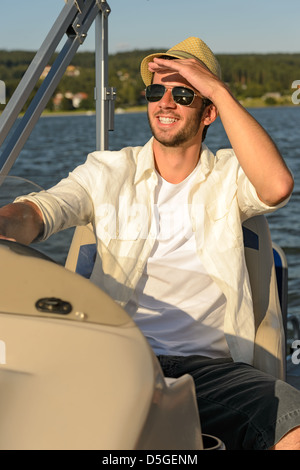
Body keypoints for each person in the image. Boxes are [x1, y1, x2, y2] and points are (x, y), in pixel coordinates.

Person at [0, 37, 299, 450]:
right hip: (118, 359)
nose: (166, 102)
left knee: (292, 424)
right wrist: (7, 221)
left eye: (183, 93)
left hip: (211, 372)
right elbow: (40, 212)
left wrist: (218, 88)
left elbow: (278, 186)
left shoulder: (230, 175)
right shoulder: (107, 171)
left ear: (209, 110)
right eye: (157, 91)